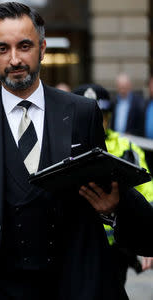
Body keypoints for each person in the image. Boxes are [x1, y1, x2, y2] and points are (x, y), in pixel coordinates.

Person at [0, 3, 149, 300]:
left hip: (69, 280)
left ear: (43, 48)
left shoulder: (82, 112)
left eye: (24, 46)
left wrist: (115, 211)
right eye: (3, 48)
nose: (15, 59)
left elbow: (106, 184)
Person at [73, 83, 153, 283]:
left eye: (102, 116)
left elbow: (147, 193)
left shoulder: (127, 148)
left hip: (117, 246)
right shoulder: (62, 147)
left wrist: (148, 234)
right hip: (74, 246)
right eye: (89, 116)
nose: (98, 122)